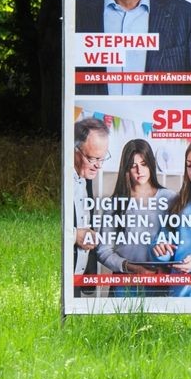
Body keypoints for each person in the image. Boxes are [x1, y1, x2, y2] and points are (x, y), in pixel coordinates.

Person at [94, 139, 177, 296]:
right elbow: (103, 251)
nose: (139, 170)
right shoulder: (115, 203)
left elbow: (181, 242)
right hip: (125, 283)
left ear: (151, 164)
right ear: (126, 169)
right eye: (133, 166)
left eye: (144, 164)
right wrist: (131, 267)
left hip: (160, 281)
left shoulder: (171, 199)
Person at [152, 137, 191, 297]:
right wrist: (160, 250)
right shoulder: (179, 201)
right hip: (177, 294)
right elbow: (164, 242)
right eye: (189, 165)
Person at [72, 117, 110, 296]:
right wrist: (74, 235)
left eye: (102, 158)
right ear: (74, 150)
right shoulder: (60, 180)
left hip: (77, 283)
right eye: (93, 158)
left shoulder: (86, 178)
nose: (98, 166)